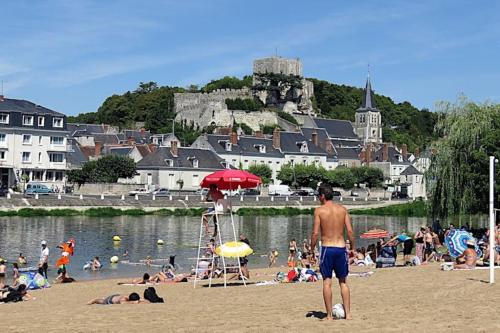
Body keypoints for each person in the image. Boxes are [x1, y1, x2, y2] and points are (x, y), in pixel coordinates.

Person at [311, 184, 354, 320]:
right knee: (343, 282)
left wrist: (311, 249)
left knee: (327, 282)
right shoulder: (343, 210)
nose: (318, 198)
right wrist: (352, 247)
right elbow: (350, 231)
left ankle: (329, 315)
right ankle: (348, 314)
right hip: (341, 248)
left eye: (319, 196)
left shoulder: (319, 211)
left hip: (327, 248)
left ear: (322, 196)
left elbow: (315, 233)